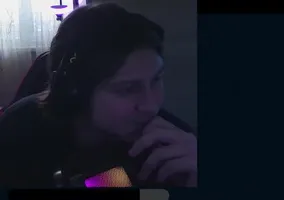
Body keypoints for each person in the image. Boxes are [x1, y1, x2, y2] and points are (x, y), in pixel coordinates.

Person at [0, 3, 197, 189]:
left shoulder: (172, 144)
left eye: (156, 80)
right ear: (75, 90)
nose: (151, 105)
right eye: (128, 89)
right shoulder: (19, 133)